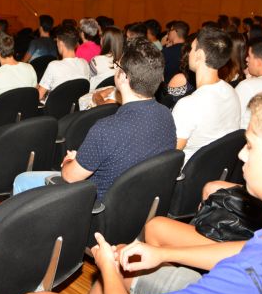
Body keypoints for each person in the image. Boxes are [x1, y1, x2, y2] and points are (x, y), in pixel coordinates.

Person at [26, 86, 262, 294]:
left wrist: (108, 269)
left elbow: (245, 270)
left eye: (252, 145)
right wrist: (165, 254)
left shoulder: (239, 285)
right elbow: (246, 251)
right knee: (136, 254)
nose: (241, 154)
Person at [13, 37, 176, 200]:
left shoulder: (107, 129)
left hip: (94, 205)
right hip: (137, 204)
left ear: (123, 77)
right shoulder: (167, 116)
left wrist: (70, 162)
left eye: (117, 66)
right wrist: (85, 158)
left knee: (22, 180)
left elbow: (70, 176)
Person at [172, 26, 240, 165]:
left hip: (185, 179)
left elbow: (169, 157)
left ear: (199, 55)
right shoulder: (232, 92)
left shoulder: (189, 105)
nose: (189, 53)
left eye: (191, 48)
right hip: (217, 171)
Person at [37, 26, 89, 102]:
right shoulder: (84, 63)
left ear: (61, 43)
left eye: (57, 41)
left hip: (54, 111)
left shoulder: (54, 66)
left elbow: (39, 95)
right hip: (77, 111)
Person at [89, 27, 123, 91]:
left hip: (95, 96)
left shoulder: (96, 61)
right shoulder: (125, 61)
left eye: (101, 37)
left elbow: (88, 80)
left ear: (105, 41)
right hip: (116, 96)